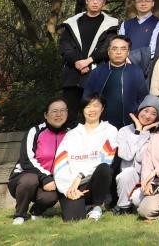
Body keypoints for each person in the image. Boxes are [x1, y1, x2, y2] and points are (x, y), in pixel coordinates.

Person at [53, 93, 118, 221]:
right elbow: (60, 163)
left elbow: (106, 158)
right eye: (87, 106)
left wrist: (81, 175)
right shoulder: (71, 134)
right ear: (82, 110)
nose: (91, 110)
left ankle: (97, 206)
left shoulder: (110, 131)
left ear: (102, 108)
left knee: (104, 168)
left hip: (94, 184)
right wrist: (67, 188)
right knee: (73, 219)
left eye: (95, 106)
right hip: (73, 185)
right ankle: (87, 207)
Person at [58, 0, 120, 116]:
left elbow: (108, 46)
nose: (95, 2)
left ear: (104, 2)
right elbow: (65, 45)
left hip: (97, 74)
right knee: (69, 115)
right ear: (86, 0)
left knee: (93, 114)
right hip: (73, 75)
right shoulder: (72, 22)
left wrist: (88, 61)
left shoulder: (111, 24)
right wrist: (77, 62)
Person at [9, 97, 70, 225]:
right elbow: (26, 160)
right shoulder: (35, 131)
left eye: (62, 110)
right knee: (30, 180)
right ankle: (20, 215)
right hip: (24, 178)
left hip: (49, 182)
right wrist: (45, 177)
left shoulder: (71, 134)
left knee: (51, 196)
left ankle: (36, 212)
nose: (59, 114)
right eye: (54, 111)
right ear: (46, 115)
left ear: (67, 113)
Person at [83, 35, 148, 129]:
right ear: (108, 52)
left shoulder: (136, 72)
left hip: (128, 125)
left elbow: (143, 98)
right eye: (114, 49)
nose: (118, 52)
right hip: (101, 125)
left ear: (128, 52)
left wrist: (134, 113)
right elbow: (87, 97)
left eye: (123, 49)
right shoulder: (97, 72)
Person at [113, 95, 159, 213]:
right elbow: (127, 155)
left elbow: (141, 157)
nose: (148, 116)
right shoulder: (124, 131)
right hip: (127, 179)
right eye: (146, 110)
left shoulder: (157, 135)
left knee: (138, 201)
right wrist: (138, 132)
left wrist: (144, 133)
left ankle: (136, 204)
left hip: (148, 180)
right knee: (128, 172)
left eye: (153, 114)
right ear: (139, 110)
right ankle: (123, 207)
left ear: (157, 118)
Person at [122, 0, 159, 78]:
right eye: (140, 1)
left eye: (147, 1)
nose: (143, 4)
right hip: (124, 65)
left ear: (153, 3)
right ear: (135, 4)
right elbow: (120, 44)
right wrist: (123, 58)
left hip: (146, 68)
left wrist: (131, 58)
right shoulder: (125, 24)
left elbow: (153, 48)